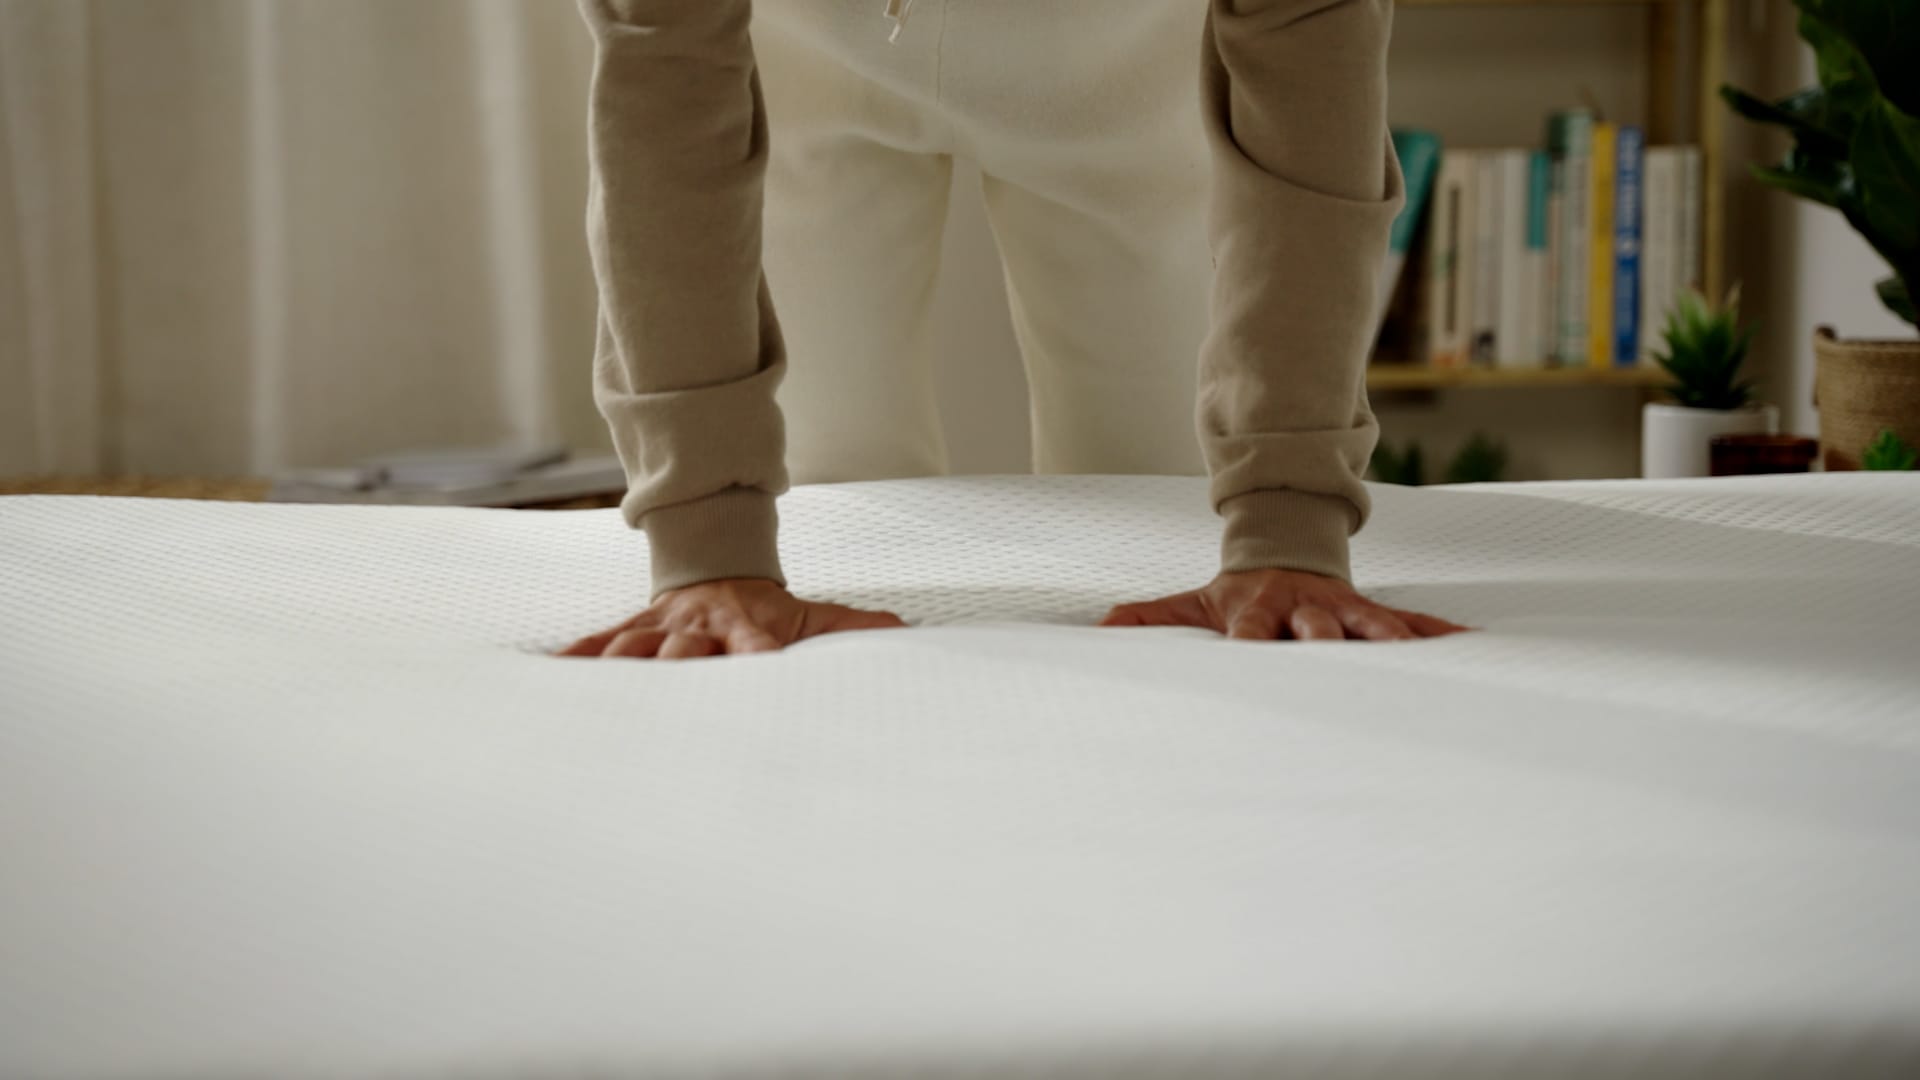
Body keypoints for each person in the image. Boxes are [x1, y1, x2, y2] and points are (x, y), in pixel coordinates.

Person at [563, 0, 1466, 661]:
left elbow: (1308, 123)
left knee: (1147, 505)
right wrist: (706, 551)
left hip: (1124, 64)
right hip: (801, 56)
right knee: (835, 496)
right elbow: (662, 119)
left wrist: (1290, 530)